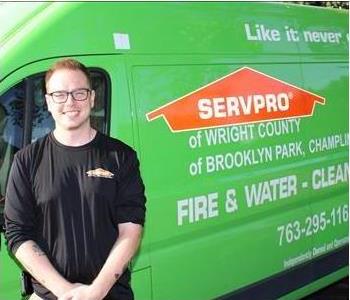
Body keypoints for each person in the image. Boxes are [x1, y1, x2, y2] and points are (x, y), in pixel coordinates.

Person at [4, 58, 146, 300]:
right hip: (51, 296)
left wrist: (96, 292)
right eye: (59, 94)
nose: (70, 102)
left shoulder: (121, 156)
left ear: (91, 98)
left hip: (109, 294)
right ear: (48, 101)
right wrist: (66, 292)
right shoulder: (26, 161)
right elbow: (18, 234)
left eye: (79, 93)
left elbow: (131, 229)